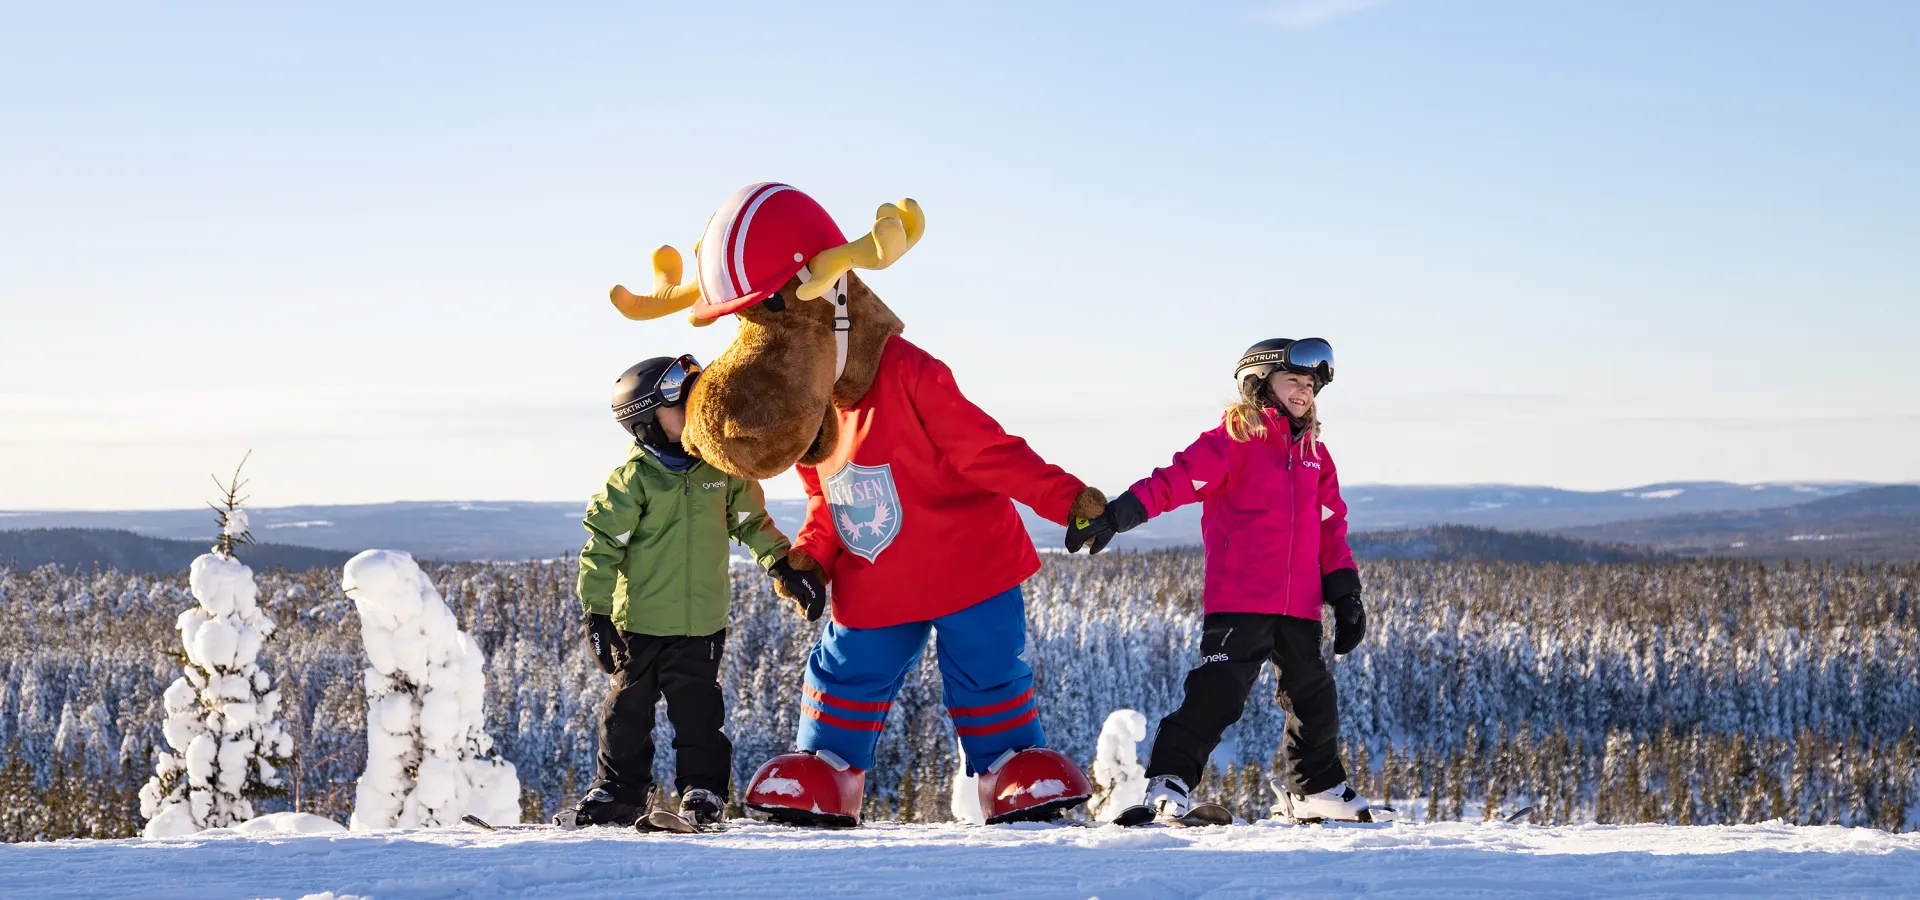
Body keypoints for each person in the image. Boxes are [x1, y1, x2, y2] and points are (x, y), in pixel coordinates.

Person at [1066, 337, 1386, 823]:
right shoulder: (1234, 440)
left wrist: (1346, 592)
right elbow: (1175, 480)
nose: (1304, 391)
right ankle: (1169, 783)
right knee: (1217, 694)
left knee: (1315, 699)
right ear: (1259, 384)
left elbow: (1329, 527)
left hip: (1299, 606)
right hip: (1240, 598)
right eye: (1293, 380)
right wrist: (1117, 515)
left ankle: (1316, 788)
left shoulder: (1315, 455)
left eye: (1310, 384)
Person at [555, 354, 826, 828]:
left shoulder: (720, 470)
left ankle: (701, 792)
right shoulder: (633, 481)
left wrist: (783, 565)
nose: (697, 414)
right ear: (647, 422)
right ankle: (619, 793)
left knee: (699, 715)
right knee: (625, 715)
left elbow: (751, 523)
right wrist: (596, 615)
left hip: (701, 625)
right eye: (682, 406)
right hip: (636, 623)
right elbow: (601, 548)